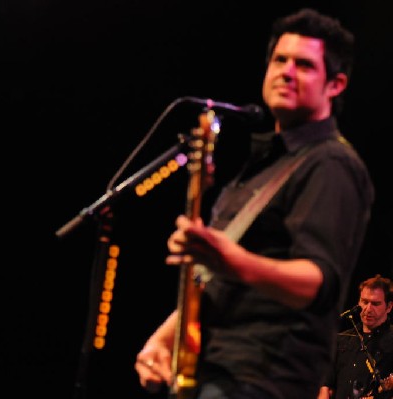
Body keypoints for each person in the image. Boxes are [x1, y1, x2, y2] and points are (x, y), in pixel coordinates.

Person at [134, 8, 374, 399]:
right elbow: (213, 281)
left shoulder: (331, 164)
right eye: (279, 60)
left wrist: (230, 259)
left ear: (336, 84)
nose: (286, 71)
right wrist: (164, 338)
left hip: (262, 377)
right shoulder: (257, 171)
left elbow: (317, 283)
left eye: (305, 65)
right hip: (211, 369)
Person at [318, 275, 393, 399]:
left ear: (389, 307)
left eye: (375, 303)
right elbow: (325, 385)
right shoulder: (343, 338)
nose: (368, 309)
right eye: (365, 302)